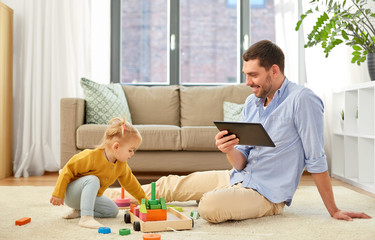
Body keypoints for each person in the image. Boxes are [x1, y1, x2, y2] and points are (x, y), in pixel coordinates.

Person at [105, 40, 371, 223]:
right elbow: (241, 160)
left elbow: (316, 158)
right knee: (170, 184)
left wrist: (333, 209)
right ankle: (103, 195)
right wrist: (229, 149)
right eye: (246, 74)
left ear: (274, 71)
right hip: (238, 176)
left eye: (253, 75)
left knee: (209, 205)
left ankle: (230, 202)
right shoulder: (251, 103)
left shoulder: (303, 100)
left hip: (267, 195)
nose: (247, 82)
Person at [50, 117, 146, 229]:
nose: (132, 153)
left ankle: (79, 211)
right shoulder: (91, 156)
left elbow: (131, 184)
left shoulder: (121, 165)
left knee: (113, 211)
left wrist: (143, 199)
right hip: (71, 194)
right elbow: (67, 170)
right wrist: (58, 193)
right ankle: (86, 217)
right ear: (116, 147)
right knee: (93, 179)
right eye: (130, 150)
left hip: (90, 197)